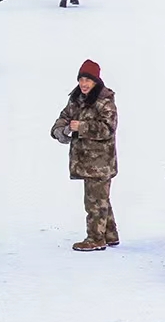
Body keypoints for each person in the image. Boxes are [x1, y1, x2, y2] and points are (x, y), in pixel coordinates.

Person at [50, 60, 119, 252]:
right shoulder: (76, 98)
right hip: (84, 160)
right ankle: (110, 235)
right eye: (81, 79)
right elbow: (64, 116)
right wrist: (60, 130)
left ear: (96, 81)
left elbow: (107, 129)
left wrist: (82, 127)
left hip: (100, 162)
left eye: (88, 80)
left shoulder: (105, 101)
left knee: (95, 201)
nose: (84, 83)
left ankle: (96, 238)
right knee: (100, 198)